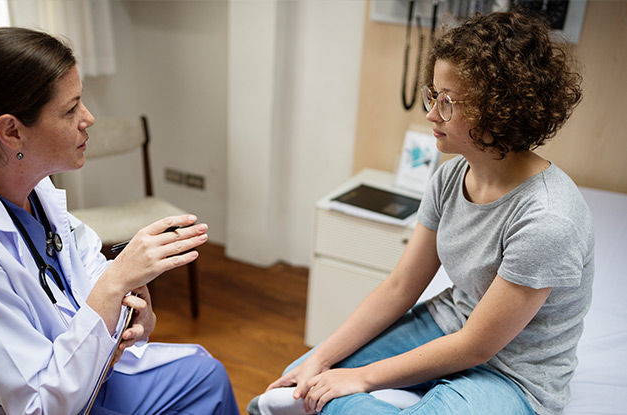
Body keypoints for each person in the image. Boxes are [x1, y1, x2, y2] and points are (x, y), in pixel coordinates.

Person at [250, 11, 590, 415]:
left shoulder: (548, 220)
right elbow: (400, 287)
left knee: (327, 399)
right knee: (294, 386)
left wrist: (361, 376)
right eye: (434, 95)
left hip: (513, 372)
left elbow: (478, 346)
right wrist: (319, 358)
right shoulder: (449, 179)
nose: (431, 114)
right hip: (450, 323)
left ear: (499, 110)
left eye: (448, 103)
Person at [0, 27, 239, 415]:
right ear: (11, 131)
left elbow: (85, 271)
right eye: (70, 109)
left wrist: (133, 311)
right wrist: (116, 282)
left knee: (206, 377)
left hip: (77, 376)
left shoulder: (29, 188)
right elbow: (38, 405)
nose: (88, 118)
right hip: (19, 406)